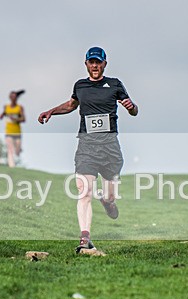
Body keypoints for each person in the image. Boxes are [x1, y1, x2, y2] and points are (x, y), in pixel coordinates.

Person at [38, 46, 139, 253]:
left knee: (110, 196)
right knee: (84, 192)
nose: (95, 66)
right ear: (86, 64)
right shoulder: (80, 86)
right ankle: (85, 237)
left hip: (110, 147)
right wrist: (51, 111)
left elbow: (134, 110)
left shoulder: (115, 84)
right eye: (91, 62)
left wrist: (131, 107)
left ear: (104, 64)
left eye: (98, 62)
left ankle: (107, 201)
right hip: (86, 146)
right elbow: (71, 105)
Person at [0, 90, 25, 167]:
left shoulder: (19, 108)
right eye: (12, 97)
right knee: (10, 149)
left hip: (17, 132)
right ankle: (12, 166)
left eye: (15, 97)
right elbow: (2, 115)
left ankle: (19, 149)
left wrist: (15, 119)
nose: (13, 98)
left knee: (17, 152)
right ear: (10, 98)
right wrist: (3, 114)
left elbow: (23, 119)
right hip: (8, 132)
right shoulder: (6, 107)